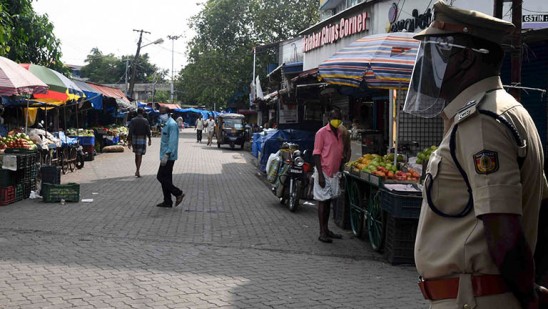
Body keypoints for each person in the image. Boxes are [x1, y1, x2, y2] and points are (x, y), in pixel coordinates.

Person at [402, 1, 548, 308]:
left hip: (474, 299)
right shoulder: (507, 110)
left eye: (439, 54)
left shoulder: (482, 121)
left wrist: (528, 298)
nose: (430, 66)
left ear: (467, 58)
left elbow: (503, 227)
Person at [313, 109, 344, 243]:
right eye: (335, 118)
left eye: (339, 118)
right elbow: (316, 154)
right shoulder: (321, 133)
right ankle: (322, 232)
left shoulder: (340, 133)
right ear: (329, 118)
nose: (337, 120)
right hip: (324, 172)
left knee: (329, 201)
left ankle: (326, 229)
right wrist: (320, 175)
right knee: (323, 202)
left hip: (334, 173)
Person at [156, 106, 184, 208]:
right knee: (166, 178)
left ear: (168, 113)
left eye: (162, 113)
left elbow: (172, 142)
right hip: (165, 155)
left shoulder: (172, 125)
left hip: (168, 156)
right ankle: (167, 201)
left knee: (160, 177)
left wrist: (167, 154)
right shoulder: (167, 124)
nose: (161, 115)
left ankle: (178, 193)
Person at [127, 108, 151, 178]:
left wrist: (129, 141)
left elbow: (130, 131)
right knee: (140, 155)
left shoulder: (133, 120)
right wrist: (149, 139)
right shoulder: (145, 120)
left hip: (135, 138)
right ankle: (138, 170)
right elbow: (148, 130)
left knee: (136, 155)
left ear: (137, 112)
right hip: (142, 138)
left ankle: (137, 170)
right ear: (143, 113)